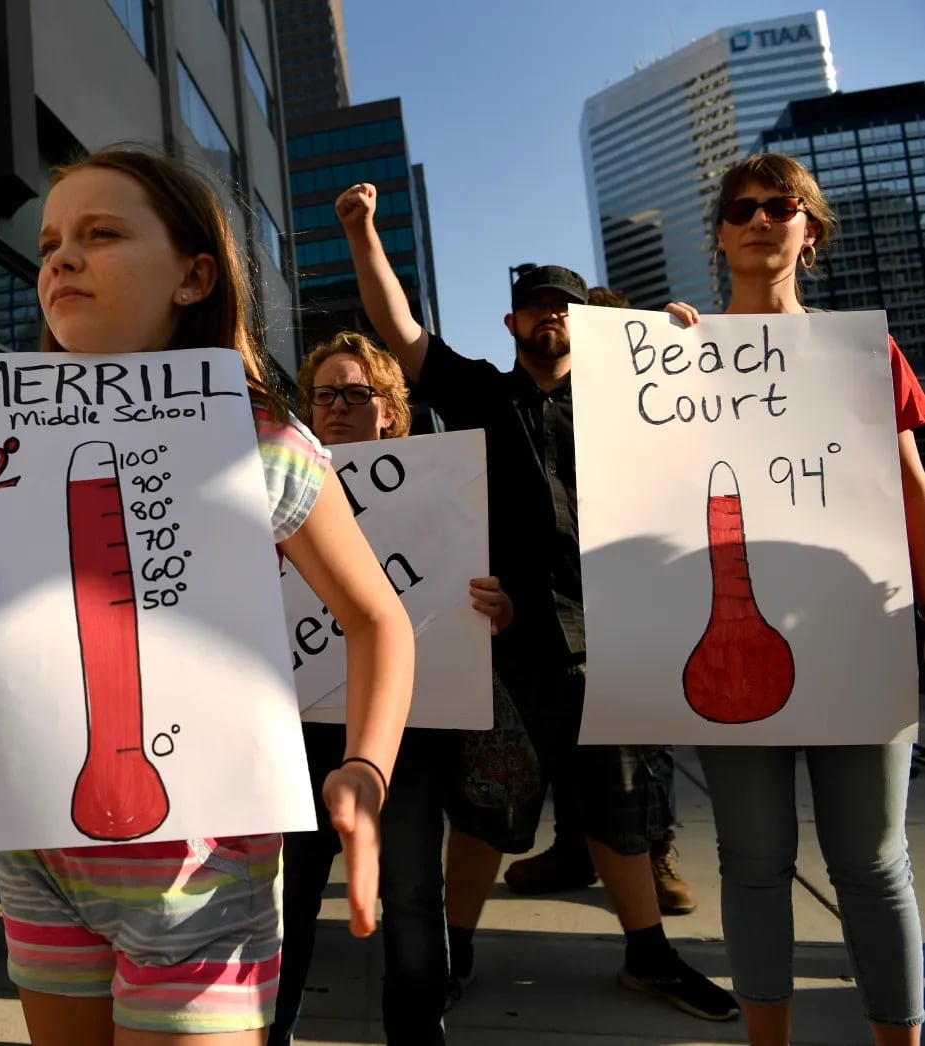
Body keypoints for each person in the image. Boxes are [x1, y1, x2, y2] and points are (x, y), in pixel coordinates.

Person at [0, 146, 415, 1044]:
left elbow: (377, 617)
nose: (59, 258)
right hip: (38, 851)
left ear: (193, 276)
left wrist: (364, 772)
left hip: (205, 870)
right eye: (51, 240)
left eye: (100, 235)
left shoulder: (261, 441)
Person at [335, 179, 737, 1022]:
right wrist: (363, 232)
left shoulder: (633, 397)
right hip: (504, 651)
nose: (550, 317)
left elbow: (717, 427)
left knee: (620, 811)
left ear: (585, 322)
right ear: (512, 323)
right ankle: (455, 952)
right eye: (536, 307)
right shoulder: (480, 393)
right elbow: (400, 331)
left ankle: (649, 956)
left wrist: (685, 342)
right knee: (485, 813)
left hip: (610, 645)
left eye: (565, 306)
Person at [666, 152, 925, 1045]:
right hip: (728, 645)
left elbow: (906, 486)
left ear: (809, 230)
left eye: (779, 205)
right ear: (720, 233)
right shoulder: (680, 356)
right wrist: (653, 368)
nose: (757, 218)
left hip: (857, 636)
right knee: (751, 861)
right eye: (739, 207)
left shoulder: (862, 352)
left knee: (873, 860)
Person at [272, 331, 465, 1044]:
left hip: (403, 735)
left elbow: (457, 601)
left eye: (357, 394)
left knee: (412, 896)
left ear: (391, 410)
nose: (337, 407)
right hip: (295, 729)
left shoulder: (443, 493)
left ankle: (417, 1037)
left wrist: (491, 610)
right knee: (285, 901)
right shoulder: (275, 487)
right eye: (324, 394)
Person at [504, 283, 696, 919]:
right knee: (572, 733)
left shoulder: (620, 392)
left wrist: (675, 338)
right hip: (559, 594)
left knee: (644, 732)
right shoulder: (529, 399)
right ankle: (575, 846)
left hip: (632, 581)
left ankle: (657, 849)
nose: (559, 319)